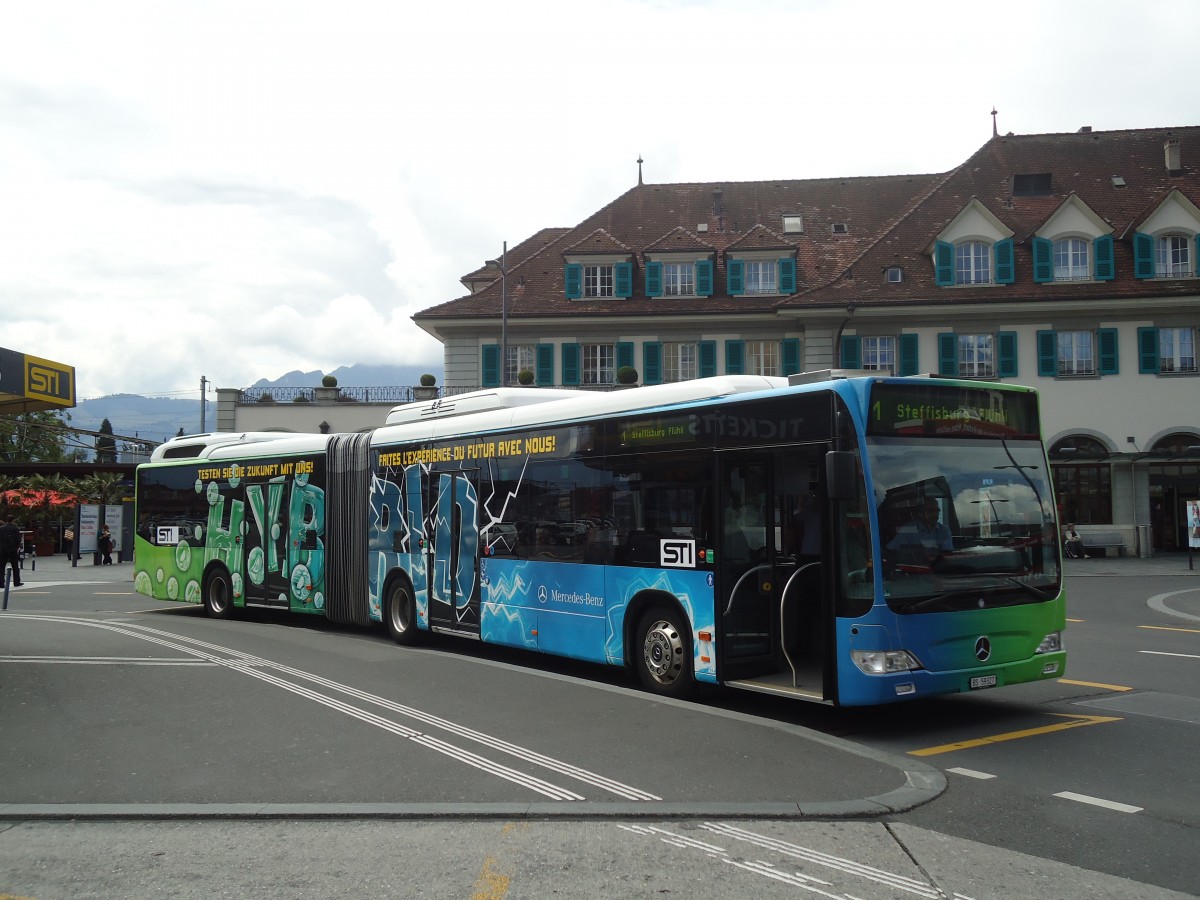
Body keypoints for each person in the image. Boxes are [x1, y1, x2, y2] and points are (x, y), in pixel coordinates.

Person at [887, 497, 954, 564]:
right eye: (931, 511)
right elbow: (892, 551)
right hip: (914, 571)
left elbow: (947, 554)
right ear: (920, 514)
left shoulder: (944, 530)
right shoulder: (908, 529)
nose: (935, 514)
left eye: (937, 511)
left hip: (939, 571)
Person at [0, 517, 23, 587]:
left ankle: (1, 583)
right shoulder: (15, 528)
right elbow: (18, 539)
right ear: (13, 520)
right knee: (15, 566)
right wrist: (17, 547)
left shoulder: (1, 528)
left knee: (1, 566)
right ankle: (16, 582)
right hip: (12, 549)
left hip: (2, 549)